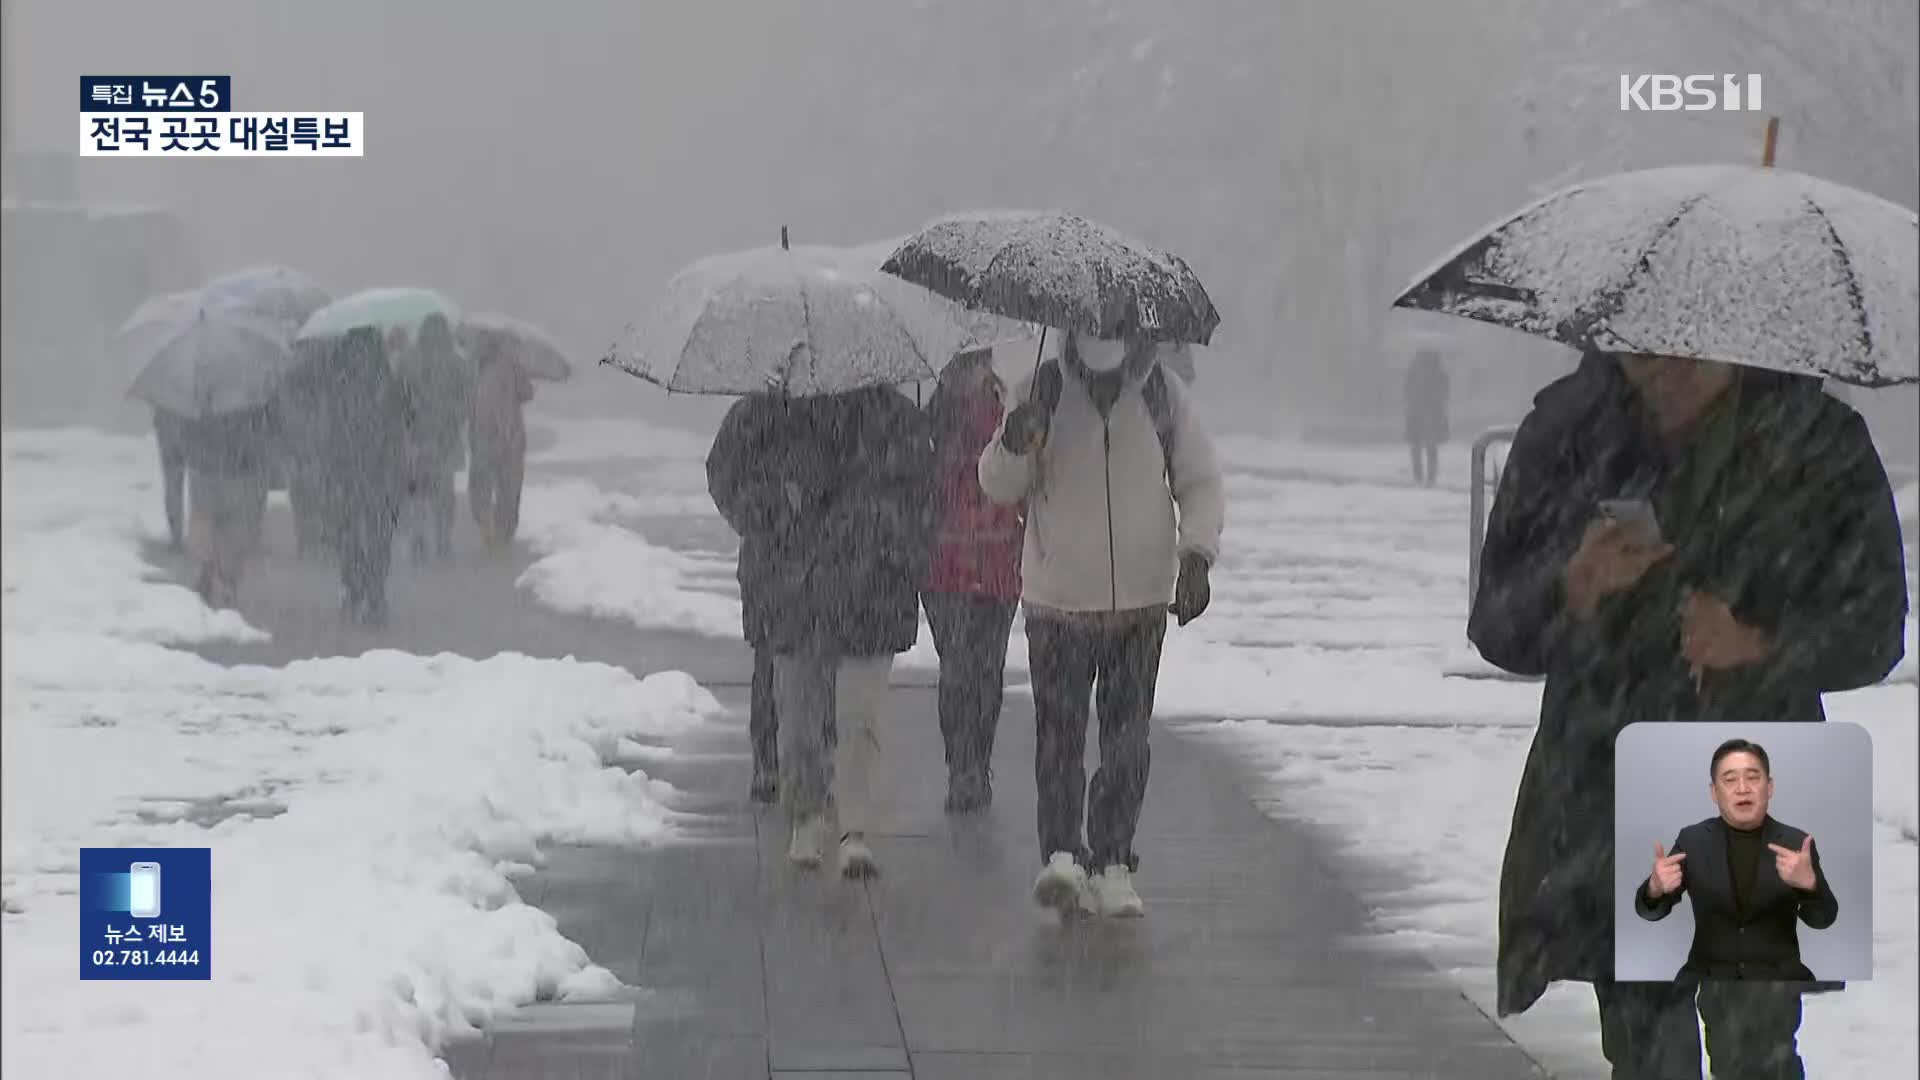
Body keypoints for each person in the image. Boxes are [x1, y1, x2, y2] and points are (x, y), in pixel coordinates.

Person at [1469, 351, 1908, 1078]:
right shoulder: (1569, 431)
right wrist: (1573, 586)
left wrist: (1758, 645)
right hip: (1610, 769)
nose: (1666, 364)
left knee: (1757, 1046)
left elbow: (1876, 628)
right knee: (1644, 1047)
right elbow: (1498, 622)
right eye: (1643, 347)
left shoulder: (1816, 440)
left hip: (1760, 778)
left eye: (1692, 353)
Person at [978, 330, 1226, 919]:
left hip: (1139, 602)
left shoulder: (1162, 392)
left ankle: (1113, 861)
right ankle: (1062, 853)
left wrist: (1197, 556)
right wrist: (1013, 441)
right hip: (1056, 600)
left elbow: (1200, 479)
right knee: (1059, 735)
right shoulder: (1040, 386)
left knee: (1126, 742)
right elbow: (1000, 486)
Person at [762, 380, 935, 878]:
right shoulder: (778, 415)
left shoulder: (899, 421)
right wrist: (775, 511)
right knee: (797, 719)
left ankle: (854, 829)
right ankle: (807, 812)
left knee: (860, 718)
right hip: (800, 593)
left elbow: (923, 498)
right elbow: (731, 474)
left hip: (871, 592)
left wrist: (894, 545)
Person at [1636, 738, 1838, 985]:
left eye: (1753, 778)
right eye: (1730, 780)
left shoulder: (1797, 843)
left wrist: (1810, 887)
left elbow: (1823, 920)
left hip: (1779, 983)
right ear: (1714, 792)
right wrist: (1655, 889)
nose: (1742, 788)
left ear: (1770, 787)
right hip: (1709, 979)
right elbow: (1650, 912)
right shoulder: (1693, 840)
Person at [922, 347, 1025, 813]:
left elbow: (1023, 481)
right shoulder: (930, 422)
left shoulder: (1008, 418)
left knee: (985, 671)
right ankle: (962, 765)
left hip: (996, 561)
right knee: (960, 669)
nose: (965, 373)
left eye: (972, 363)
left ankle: (974, 762)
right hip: (947, 564)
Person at [705, 390, 791, 804]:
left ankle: (785, 760)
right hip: (769, 561)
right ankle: (770, 758)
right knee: (771, 661)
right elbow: (720, 475)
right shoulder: (751, 416)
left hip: (800, 561)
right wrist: (757, 515)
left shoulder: (825, 412)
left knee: (792, 663)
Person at [305, 327, 410, 625]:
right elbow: (402, 428)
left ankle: (353, 587)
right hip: (381, 473)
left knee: (348, 532)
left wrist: (327, 468)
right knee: (379, 535)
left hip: (345, 473)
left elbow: (327, 432)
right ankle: (376, 593)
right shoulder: (390, 384)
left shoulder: (336, 383)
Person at [178, 403, 278, 607]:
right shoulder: (258, 393)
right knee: (235, 527)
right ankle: (226, 579)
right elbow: (271, 432)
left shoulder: (199, 390)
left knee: (207, 520)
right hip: (240, 469)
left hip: (209, 467)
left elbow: (187, 430)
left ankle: (210, 569)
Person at [397, 315, 467, 563]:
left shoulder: (407, 361)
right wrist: (453, 418)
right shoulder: (457, 363)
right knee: (444, 493)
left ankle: (418, 538)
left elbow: (398, 400)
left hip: (415, 437)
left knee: (417, 493)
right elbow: (466, 401)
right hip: (445, 438)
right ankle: (443, 539)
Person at [468, 339, 534, 550]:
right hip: (510, 435)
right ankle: (504, 534)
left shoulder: (472, 365)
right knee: (509, 487)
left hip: (482, 434)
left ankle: (486, 521)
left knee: (481, 484)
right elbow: (527, 393)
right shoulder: (512, 363)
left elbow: (465, 399)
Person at [1404, 349, 1449, 487]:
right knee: (1430, 446)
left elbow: (1406, 392)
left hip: (1417, 412)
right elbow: (1444, 393)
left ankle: (1419, 476)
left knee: (1417, 446)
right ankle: (1430, 477)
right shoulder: (1439, 373)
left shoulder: (1413, 372)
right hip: (1432, 413)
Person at [152, 407, 189, 550]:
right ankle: (203, 534)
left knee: (173, 487)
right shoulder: (204, 390)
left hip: (169, 441)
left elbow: (158, 421)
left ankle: (176, 535)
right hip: (196, 441)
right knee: (199, 489)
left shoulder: (167, 393)